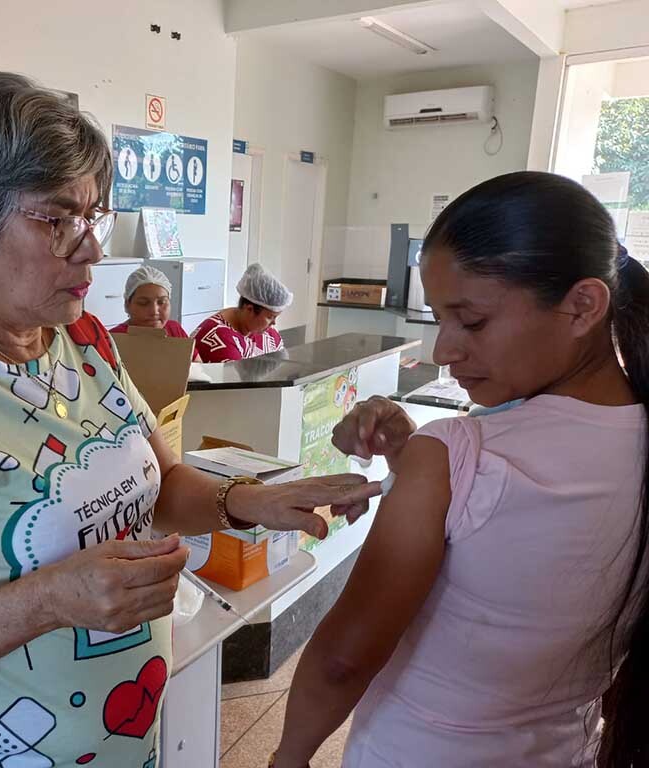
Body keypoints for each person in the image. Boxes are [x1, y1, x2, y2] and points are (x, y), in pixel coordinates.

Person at [0, 71, 381, 768]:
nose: (92, 249)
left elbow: (158, 483)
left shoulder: (80, 340)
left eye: (93, 215)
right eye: (57, 218)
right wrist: (45, 602)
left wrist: (244, 501)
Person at [271, 172, 649, 767]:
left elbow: (343, 660)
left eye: (471, 321)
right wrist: (411, 458)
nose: (444, 349)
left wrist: (286, 759)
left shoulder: (459, 454)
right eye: (439, 318)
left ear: (582, 306)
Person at [193, 263, 291, 361]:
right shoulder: (219, 338)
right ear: (249, 309)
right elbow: (232, 375)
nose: (274, 323)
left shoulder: (268, 335)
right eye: (270, 317)